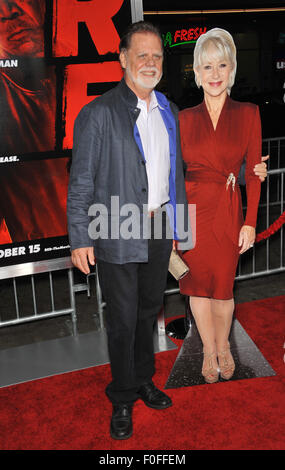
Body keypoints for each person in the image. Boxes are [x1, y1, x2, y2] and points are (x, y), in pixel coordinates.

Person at [67, 21, 192, 441]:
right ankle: (122, 396)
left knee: (147, 311)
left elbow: (177, 174)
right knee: (121, 319)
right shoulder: (98, 112)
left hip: (158, 227)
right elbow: (81, 180)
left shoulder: (169, 111)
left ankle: (142, 379)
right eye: (142, 55)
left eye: (156, 56)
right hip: (116, 225)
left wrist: (179, 227)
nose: (150, 63)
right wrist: (81, 236)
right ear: (122, 59)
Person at [179, 28, 264, 383]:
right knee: (197, 287)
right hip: (193, 211)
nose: (215, 75)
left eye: (222, 66)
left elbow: (256, 173)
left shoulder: (248, 114)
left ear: (231, 70)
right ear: (196, 74)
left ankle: (225, 346)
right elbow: (170, 176)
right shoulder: (182, 119)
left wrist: (250, 221)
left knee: (224, 288)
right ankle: (209, 351)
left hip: (229, 210)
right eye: (207, 67)